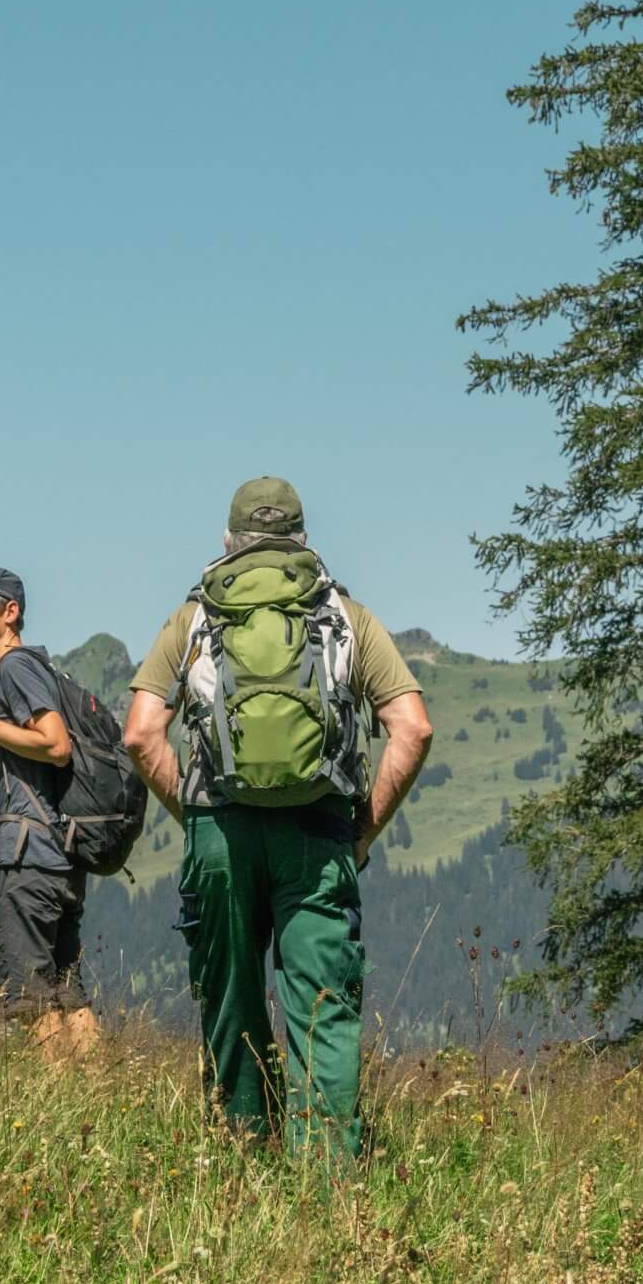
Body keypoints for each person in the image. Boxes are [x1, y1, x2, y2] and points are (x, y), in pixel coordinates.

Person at [121, 478, 433, 1155]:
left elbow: (142, 735)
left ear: (229, 540)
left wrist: (193, 814)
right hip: (320, 836)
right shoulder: (344, 614)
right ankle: (324, 1191)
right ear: (301, 537)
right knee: (322, 1008)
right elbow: (412, 728)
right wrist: (362, 832)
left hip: (219, 834)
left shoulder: (196, 617)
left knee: (230, 1002)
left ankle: (243, 1157)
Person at [0, 565, 102, 1058]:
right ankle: (101, 1106)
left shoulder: (16, 668)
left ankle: (56, 1121)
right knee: (68, 995)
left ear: (10, 612)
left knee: (31, 1000)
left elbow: (54, 745)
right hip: (61, 860)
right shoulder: (30, 669)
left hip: (28, 860)